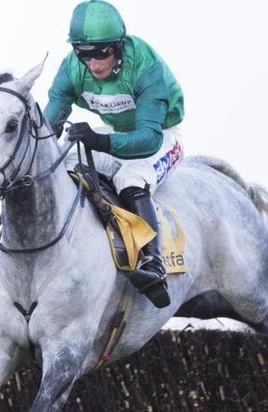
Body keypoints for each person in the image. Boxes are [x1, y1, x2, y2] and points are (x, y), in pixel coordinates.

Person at [44, 0, 184, 309]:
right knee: (67, 159)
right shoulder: (71, 68)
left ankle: (153, 262)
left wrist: (99, 141)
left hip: (161, 137)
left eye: (101, 53)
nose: (93, 64)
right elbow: (47, 126)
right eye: (84, 53)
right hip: (118, 133)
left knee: (131, 178)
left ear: (119, 46)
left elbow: (148, 139)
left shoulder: (145, 66)